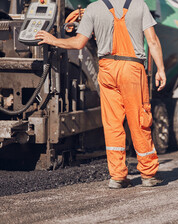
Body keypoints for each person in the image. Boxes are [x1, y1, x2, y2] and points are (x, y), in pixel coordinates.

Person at [35, 0, 166, 188]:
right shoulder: (139, 5)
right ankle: (148, 174)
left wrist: (52, 40)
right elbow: (152, 41)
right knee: (139, 120)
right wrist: (160, 69)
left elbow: (79, 42)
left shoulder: (93, 9)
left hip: (106, 69)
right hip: (131, 68)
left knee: (112, 123)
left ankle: (117, 177)